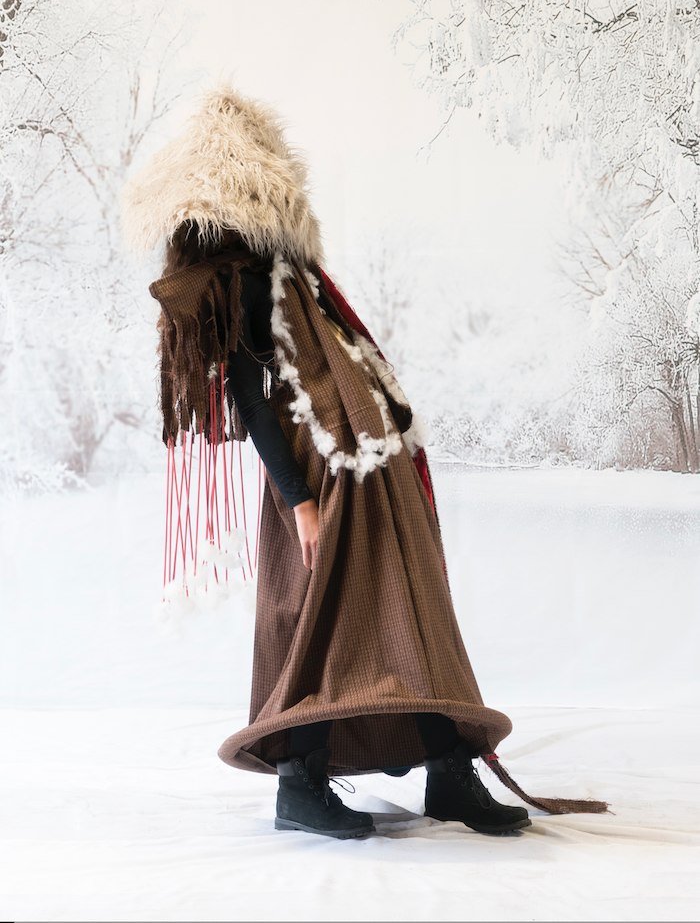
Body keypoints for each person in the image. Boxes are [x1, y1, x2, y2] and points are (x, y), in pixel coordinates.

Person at [121, 86, 603, 839]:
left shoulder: (289, 272)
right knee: (325, 628)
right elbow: (249, 397)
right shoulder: (233, 278)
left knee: (411, 612)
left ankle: (449, 770)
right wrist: (299, 500)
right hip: (321, 480)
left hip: (368, 472)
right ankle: (301, 782)